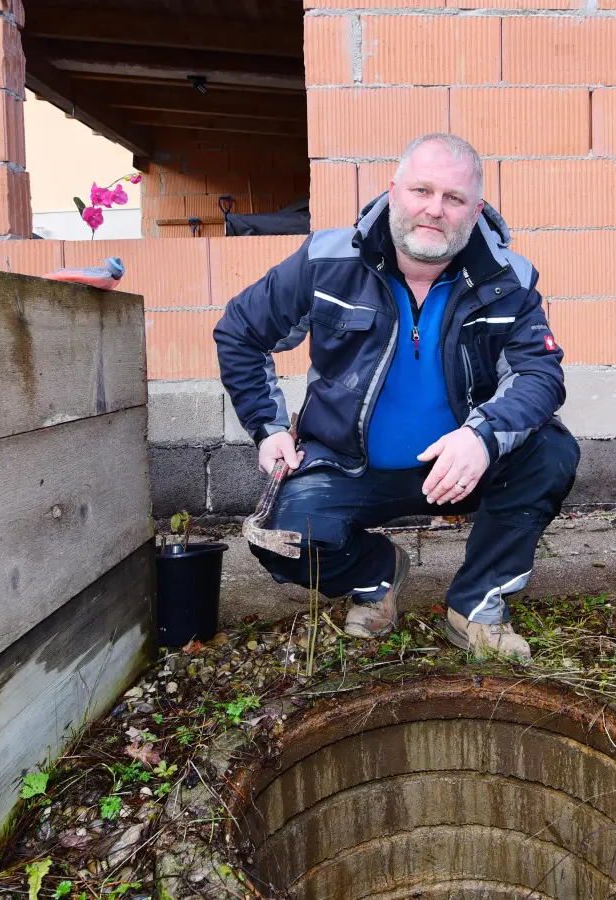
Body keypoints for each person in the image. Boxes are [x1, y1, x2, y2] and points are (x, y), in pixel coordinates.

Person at [213, 132, 577, 661]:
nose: (434, 210)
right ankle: (376, 573)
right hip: (348, 465)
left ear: (476, 210)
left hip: (459, 469)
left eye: (454, 198)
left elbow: (540, 374)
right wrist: (268, 428)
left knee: (551, 453)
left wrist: (482, 436)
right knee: (279, 536)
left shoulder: (509, 279)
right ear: (393, 191)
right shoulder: (326, 260)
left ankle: (477, 604)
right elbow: (240, 332)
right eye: (421, 191)